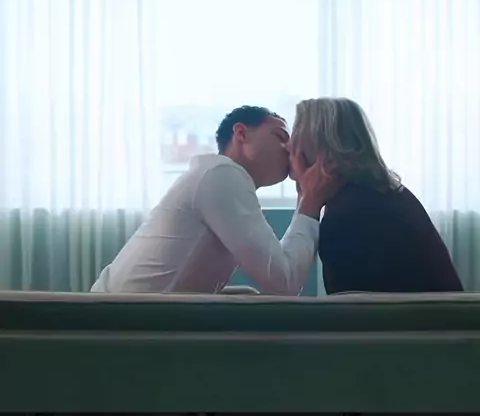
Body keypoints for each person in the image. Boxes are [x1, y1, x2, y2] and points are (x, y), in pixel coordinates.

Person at [91, 105, 339, 295]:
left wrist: (305, 199)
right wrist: (310, 203)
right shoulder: (222, 175)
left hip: (126, 311)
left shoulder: (217, 176)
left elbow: (282, 278)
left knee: (247, 297)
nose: (289, 148)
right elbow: (285, 282)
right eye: (280, 136)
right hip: (119, 319)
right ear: (241, 133)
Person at [289, 97, 464, 294]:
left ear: (322, 152)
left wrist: (308, 201)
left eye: (296, 134)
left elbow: (347, 307)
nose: (288, 147)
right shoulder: (381, 194)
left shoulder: (349, 215)